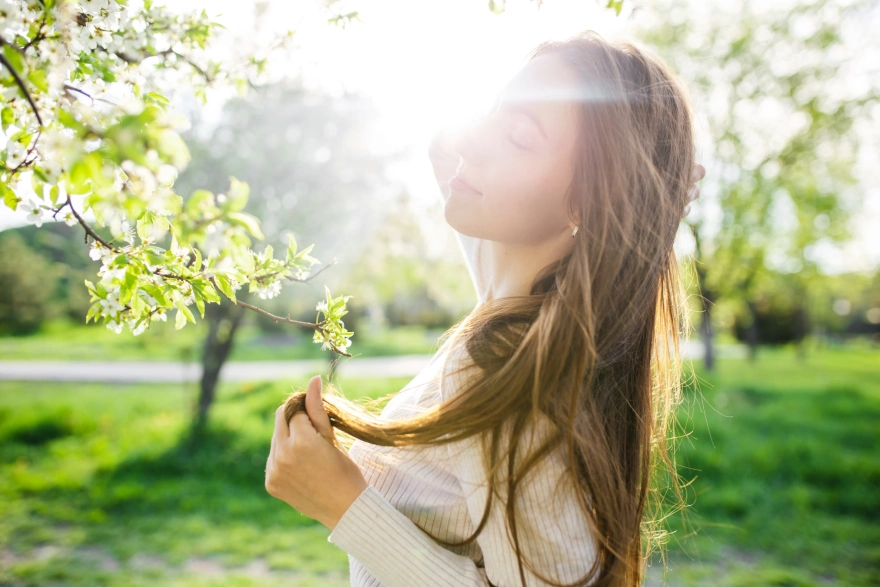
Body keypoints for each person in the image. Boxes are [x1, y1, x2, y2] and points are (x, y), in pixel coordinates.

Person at [264, 29, 706, 587]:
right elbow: (446, 147)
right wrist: (650, 203)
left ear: (589, 199)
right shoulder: (511, 299)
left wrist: (346, 506)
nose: (472, 141)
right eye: (490, 114)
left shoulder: (515, 374)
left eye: (518, 136)